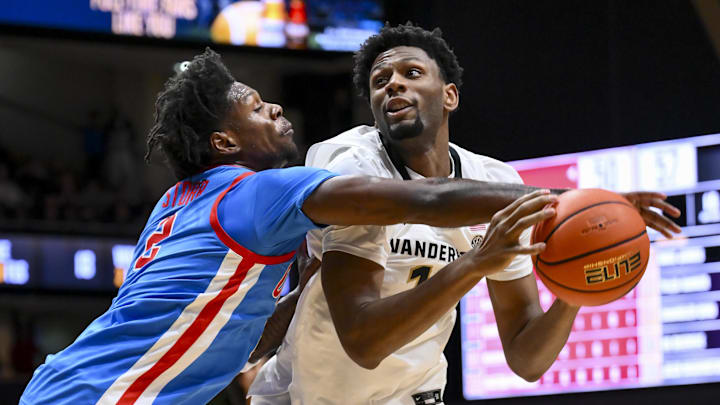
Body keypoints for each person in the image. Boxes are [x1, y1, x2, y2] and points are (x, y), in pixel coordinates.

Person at [19, 48, 572, 405]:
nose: (276, 107)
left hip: (69, 382)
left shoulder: (178, 200)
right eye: (258, 108)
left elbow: (234, 331)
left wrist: (304, 290)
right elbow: (425, 199)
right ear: (225, 144)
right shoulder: (260, 192)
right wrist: (572, 202)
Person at [248, 23, 682, 404]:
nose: (393, 85)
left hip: (415, 393)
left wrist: (576, 285)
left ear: (449, 95)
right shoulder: (349, 163)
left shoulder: (494, 177)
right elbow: (363, 340)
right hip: (316, 394)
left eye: (411, 73)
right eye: (380, 81)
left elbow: (526, 358)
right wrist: (479, 261)